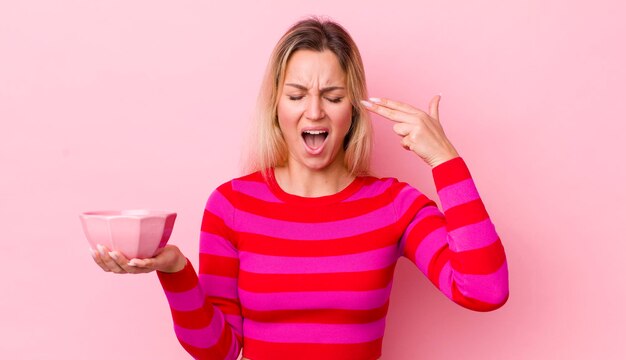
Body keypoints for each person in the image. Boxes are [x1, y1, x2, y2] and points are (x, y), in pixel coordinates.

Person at [90, 16, 509, 360]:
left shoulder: (394, 204)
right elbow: (217, 350)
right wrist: (175, 270)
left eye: (332, 95)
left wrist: (445, 161)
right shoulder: (231, 205)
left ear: (353, 111)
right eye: (296, 95)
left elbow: (485, 290)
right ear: (276, 105)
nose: (314, 111)